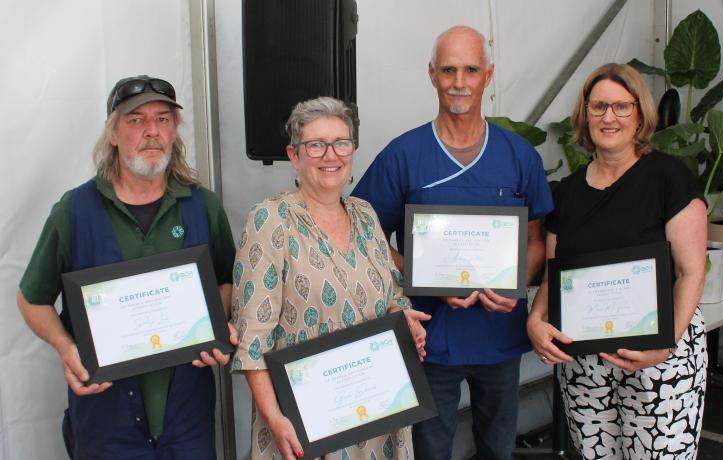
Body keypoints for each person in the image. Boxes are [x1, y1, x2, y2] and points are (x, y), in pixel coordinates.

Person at [351, 26, 553, 460]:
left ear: (488, 75)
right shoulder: (403, 154)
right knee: (430, 450)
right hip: (429, 336)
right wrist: (418, 275)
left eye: (471, 70)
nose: (459, 82)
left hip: (499, 336)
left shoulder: (519, 156)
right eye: (448, 70)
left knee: (498, 449)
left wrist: (517, 280)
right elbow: (363, 230)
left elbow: (537, 240)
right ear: (431, 74)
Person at [17, 75, 237, 459]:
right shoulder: (74, 211)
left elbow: (225, 281)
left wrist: (214, 325)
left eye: (163, 119)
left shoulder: (203, 206)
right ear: (113, 133)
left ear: (174, 131)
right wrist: (66, 348)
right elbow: (31, 300)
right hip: (107, 420)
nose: (152, 131)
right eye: (136, 120)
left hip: (187, 419)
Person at [231, 96, 430, 460]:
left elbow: (392, 294)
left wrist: (405, 319)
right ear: (294, 155)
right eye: (316, 145)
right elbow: (252, 339)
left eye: (341, 143)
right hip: (306, 423)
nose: (330, 155)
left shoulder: (366, 215)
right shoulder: (271, 221)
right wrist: (273, 417)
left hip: (377, 413)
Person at [527, 63, 708, 459]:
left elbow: (691, 271)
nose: (609, 117)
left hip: (658, 360)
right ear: (585, 114)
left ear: (639, 114)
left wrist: (667, 343)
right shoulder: (568, 193)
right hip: (585, 366)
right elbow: (554, 276)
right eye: (598, 107)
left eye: (621, 107)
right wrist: (535, 321)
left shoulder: (667, 177)